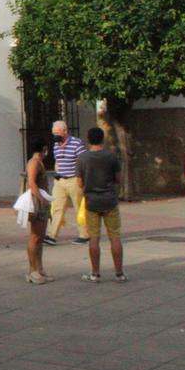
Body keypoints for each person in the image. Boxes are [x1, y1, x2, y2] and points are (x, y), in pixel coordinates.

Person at [77, 127, 127, 283]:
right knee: (115, 236)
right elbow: (118, 179)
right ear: (102, 139)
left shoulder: (83, 158)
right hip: (110, 200)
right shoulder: (111, 156)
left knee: (94, 237)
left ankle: (95, 273)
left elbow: (79, 182)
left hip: (92, 201)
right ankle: (119, 273)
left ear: (88, 139)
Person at [45, 120, 88, 246]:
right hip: (60, 180)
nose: (55, 135)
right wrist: (57, 172)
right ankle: (51, 235)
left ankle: (84, 234)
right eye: (54, 133)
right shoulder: (56, 145)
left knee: (78, 207)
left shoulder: (76, 143)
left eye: (57, 133)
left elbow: (83, 162)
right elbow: (57, 161)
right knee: (56, 207)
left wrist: (82, 179)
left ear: (65, 131)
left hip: (74, 179)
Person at [24, 137, 54, 284]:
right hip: (37, 203)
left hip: (42, 203)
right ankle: (32, 270)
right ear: (43, 149)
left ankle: (40, 268)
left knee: (40, 237)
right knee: (35, 237)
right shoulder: (34, 163)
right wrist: (41, 199)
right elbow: (31, 181)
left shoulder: (38, 162)